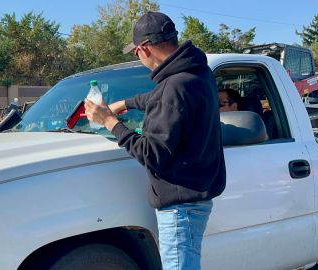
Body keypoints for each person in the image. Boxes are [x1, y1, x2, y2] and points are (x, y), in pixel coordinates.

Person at [84, 11, 226, 270]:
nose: (137, 57)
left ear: (144, 48)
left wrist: (109, 122)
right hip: (195, 199)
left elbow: (152, 154)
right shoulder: (197, 74)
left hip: (180, 208)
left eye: (135, 52)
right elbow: (160, 99)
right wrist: (124, 104)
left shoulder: (174, 88)